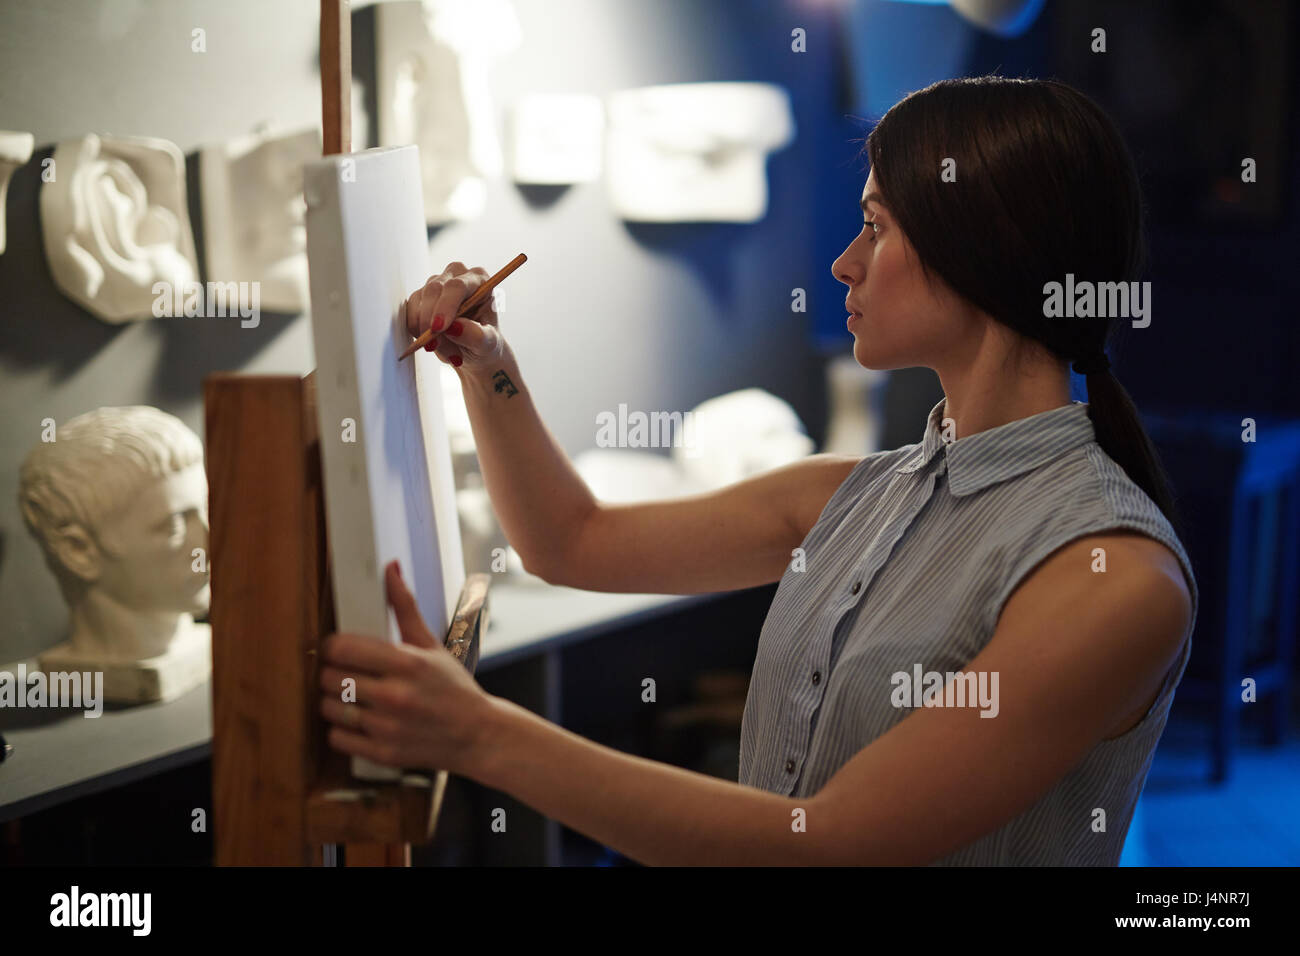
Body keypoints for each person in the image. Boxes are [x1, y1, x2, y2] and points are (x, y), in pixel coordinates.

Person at [318, 75, 1197, 866]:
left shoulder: (1113, 577)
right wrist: (487, 363)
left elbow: (835, 846)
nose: (844, 261)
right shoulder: (857, 493)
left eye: (877, 226)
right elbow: (570, 542)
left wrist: (480, 735)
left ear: (985, 248)